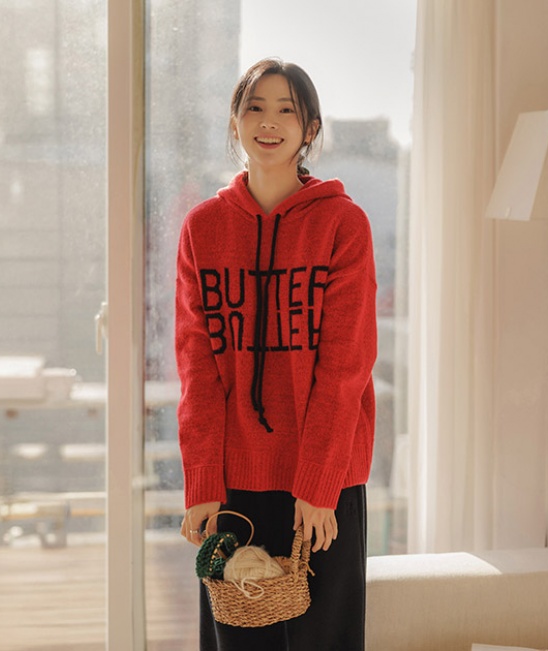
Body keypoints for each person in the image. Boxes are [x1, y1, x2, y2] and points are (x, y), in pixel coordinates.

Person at [175, 57, 377, 651]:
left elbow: (345, 366)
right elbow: (196, 366)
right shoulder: (202, 228)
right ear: (235, 121)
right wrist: (202, 479)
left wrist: (318, 482)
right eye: (254, 107)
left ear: (310, 128)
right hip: (233, 483)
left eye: (286, 109)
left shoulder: (343, 224)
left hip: (323, 485)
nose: (269, 122)